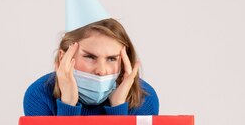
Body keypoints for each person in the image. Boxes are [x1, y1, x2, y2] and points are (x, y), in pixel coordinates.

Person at [23, 18, 159, 116]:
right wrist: (68, 104)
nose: (101, 70)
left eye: (112, 59)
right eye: (89, 57)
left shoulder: (145, 98)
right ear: (63, 57)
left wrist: (118, 106)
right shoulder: (39, 94)